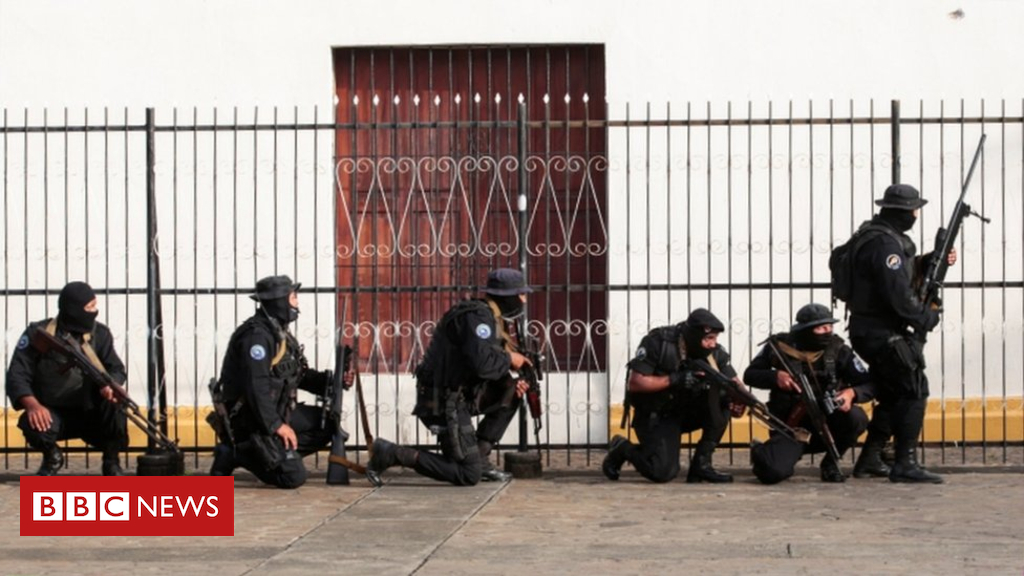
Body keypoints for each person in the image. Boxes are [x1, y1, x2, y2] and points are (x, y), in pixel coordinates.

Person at [365, 268, 533, 487]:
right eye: (520, 294)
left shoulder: (489, 317)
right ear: (507, 296)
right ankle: (392, 453)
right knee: (467, 475)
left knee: (511, 389)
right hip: (444, 401)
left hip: (457, 395)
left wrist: (512, 379)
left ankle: (479, 458)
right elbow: (482, 364)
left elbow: (481, 364)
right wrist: (510, 358)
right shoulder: (477, 318)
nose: (524, 299)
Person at [846, 184, 956, 483]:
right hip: (880, 331)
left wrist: (931, 260)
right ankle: (904, 463)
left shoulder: (876, 236)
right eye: (914, 210)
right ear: (903, 212)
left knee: (894, 392)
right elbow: (897, 294)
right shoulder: (884, 245)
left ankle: (869, 459)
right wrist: (926, 317)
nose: (916, 215)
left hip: (871, 329)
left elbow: (893, 277)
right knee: (914, 389)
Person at [210, 275, 338, 489]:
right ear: (280, 301)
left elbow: (296, 374)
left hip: (273, 412)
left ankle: (273, 452)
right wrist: (277, 426)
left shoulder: (279, 333)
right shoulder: (256, 337)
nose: (297, 303)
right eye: (293, 297)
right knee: (293, 478)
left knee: (327, 424)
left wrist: (332, 382)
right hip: (251, 419)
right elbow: (255, 387)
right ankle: (237, 453)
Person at [603, 308, 746, 484]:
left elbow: (734, 382)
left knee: (722, 399)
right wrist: (674, 379)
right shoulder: (659, 343)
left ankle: (701, 465)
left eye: (715, 339)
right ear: (693, 336)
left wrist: (740, 399)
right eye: (709, 338)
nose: (713, 344)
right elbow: (635, 382)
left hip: (686, 412)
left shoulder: (714, 354)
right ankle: (622, 448)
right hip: (657, 414)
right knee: (662, 472)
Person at [6, 281, 128, 476]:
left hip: (91, 412)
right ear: (73, 309)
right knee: (31, 422)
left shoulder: (100, 334)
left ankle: (111, 462)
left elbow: (117, 369)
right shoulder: (40, 334)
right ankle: (52, 457)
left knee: (118, 406)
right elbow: (17, 375)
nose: (94, 311)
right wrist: (32, 405)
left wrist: (110, 385)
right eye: (89, 307)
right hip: (53, 413)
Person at [744, 303, 875, 484]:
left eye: (829, 327)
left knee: (856, 417)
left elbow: (869, 384)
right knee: (772, 472)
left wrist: (852, 393)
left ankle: (830, 463)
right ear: (806, 330)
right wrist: (775, 377)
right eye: (821, 328)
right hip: (792, 425)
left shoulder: (838, 350)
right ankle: (761, 451)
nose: (827, 332)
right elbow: (750, 375)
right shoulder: (780, 347)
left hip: (828, 420)